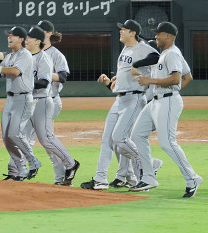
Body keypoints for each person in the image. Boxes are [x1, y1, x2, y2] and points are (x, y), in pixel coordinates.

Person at [80, 19, 160, 190]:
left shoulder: (142, 47)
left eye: (124, 29)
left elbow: (156, 57)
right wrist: (110, 81)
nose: (120, 31)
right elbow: (124, 74)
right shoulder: (126, 48)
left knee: (120, 139)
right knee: (107, 140)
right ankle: (100, 179)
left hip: (134, 99)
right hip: (119, 99)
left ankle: (149, 164)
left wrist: (137, 64)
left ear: (133, 33)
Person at [129, 22, 203, 198]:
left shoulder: (172, 54)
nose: (156, 36)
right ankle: (148, 176)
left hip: (166, 102)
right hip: (156, 102)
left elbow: (176, 78)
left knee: (167, 143)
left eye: (159, 34)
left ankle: (192, 178)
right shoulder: (167, 54)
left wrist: (154, 83)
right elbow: (188, 77)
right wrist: (171, 90)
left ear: (168, 36)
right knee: (137, 135)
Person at [23, 25, 80, 186]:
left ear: (48, 34)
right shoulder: (30, 53)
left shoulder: (55, 55)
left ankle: (27, 169)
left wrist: (45, 74)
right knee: (43, 141)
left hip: (50, 99)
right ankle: (61, 178)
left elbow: (62, 77)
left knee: (42, 139)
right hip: (34, 100)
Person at [0, 26, 42, 181]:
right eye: (8, 35)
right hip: (10, 100)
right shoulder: (10, 56)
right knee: (6, 137)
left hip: (23, 99)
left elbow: (15, 72)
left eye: (13, 36)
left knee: (14, 133)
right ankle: (21, 168)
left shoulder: (25, 55)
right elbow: (1, 71)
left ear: (21, 39)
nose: (9, 38)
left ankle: (33, 160)